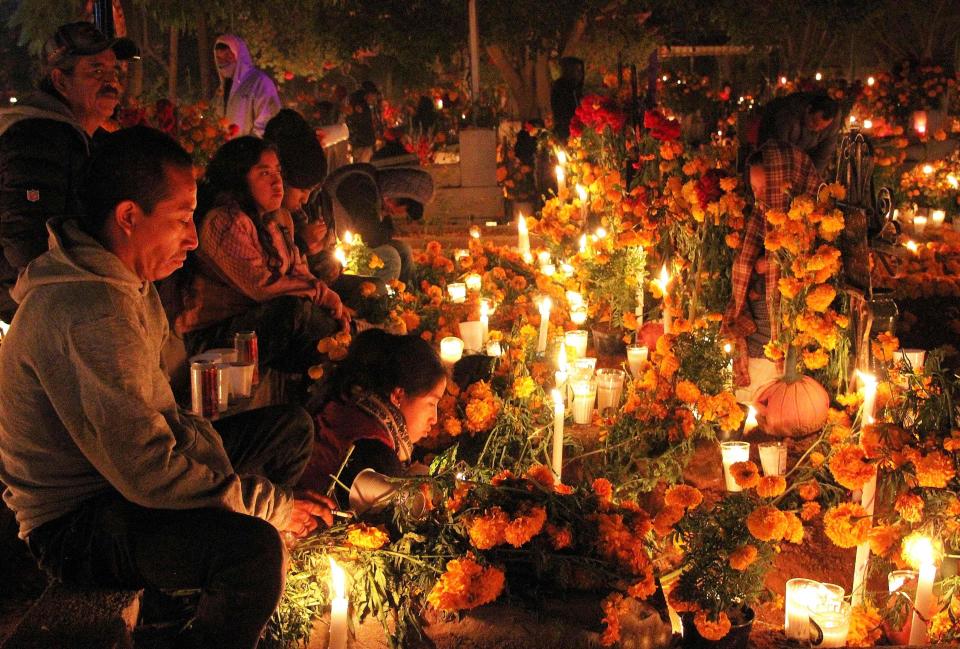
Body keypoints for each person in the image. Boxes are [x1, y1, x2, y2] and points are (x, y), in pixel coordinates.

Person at [0, 126, 334, 649]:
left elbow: (170, 418)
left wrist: (244, 491)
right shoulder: (88, 312)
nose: (194, 238)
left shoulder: (125, 281)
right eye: (181, 219)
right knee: (253, 552)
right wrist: (268, 507)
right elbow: (148, 469)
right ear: (129, 217)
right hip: (79, 522)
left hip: (128, 481)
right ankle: (180, 617)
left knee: (289, 429)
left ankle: (197, 587)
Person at [174, 136, 349, 377]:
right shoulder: (224, 221)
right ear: (240, 177)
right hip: (216, 334)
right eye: (264, 173)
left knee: (329, 318)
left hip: (258, 323)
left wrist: (329, 296)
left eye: (278, 171)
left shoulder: (278, 219)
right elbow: (262, 286)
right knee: (293, 310)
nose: (278, 182)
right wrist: (320, 295)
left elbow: (299, 270)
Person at [0, 21, 137, 322]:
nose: (112, 81)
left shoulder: (87, 138)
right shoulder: (35, 137)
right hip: (36, 308)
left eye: (114, 71)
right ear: (61, 81)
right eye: (96, 71)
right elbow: (28, 242)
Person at [264, 110, 389, 322]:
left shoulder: (314, 199)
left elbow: (327, 246)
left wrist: (330, 258)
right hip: (297, 295)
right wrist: (303, 245)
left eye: (311, 190)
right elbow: (278, 279)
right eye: (302, 190)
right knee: (308, 315)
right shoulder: (270, 214)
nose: (305, 199)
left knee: (377, 289)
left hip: (321, 282)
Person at [299, 330, 447, 507]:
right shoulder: (373, 451)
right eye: (432, 403)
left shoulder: (351, 407)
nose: (434, 419)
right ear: (398, 395)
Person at [723, 141, 822, 402]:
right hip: (759, 330)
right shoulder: (760, 217)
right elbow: (747, 265)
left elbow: (805, 262)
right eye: (754, 188)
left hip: (786, 336)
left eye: (766, 188)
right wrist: (757, 269)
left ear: (786, 180)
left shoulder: (810, 218)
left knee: (775, 398)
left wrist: (771, 264)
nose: (759, 197)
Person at [322, 163, 434, 286]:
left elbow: (381, 234)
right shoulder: (360, 185)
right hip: (333, 251)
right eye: (405, 209)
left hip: (354, 244)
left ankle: (408, 297)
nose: (398, 213)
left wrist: (384, 219)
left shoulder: (375, 190)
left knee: (403, 249)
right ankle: (380, 301)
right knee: (390, 256)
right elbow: (372, 237)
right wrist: (384, 217)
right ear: (394, 196)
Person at [757, 92, 841, 176]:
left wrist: (813, 178)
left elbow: (822, 156)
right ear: (808, 110)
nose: (816, 129)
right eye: (814, 122)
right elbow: (778, 153)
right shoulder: (787, 118)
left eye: (821, 128)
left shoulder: (832, 124)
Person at [213, 34, 281, 137]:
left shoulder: (260, 83)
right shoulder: (222, 90)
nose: (222, 61)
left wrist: (246, 148)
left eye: (227, 55)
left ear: (238, 55)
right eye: (219, 57)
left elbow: (267, 125)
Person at [550, 57, 584, 142]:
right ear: (569, 71)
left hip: (577, 128)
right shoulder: (561, 87)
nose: (580, 74)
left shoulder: (576, 88)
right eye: (577, 71)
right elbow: (562, 111)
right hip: (566, 130)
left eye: (581, 71)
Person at [346, 81, 381, 163]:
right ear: (368, 94)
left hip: (361, 143)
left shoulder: (359, 105)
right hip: (363, 144)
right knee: (363, 168)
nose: (375, 98)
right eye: (374, 95)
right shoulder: (360, 107)